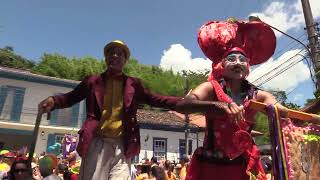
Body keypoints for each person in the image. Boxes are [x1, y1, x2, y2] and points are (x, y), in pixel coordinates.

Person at [38, 40, 182, 180]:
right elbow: (70, 98)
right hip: (97, 143)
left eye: (120, 54)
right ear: (106, 58)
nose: (115, 56)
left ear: (125, 60)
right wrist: (54, 101)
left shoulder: (134, 85)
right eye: (111, 53)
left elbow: (155, 99)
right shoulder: (92, 81)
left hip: (122, 145)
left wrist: (181, 102)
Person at [176, 19, 287, 180]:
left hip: (245, 168)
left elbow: (281, 111)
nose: (238, 63)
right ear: (221, 64)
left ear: (248, 66)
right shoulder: (211, 88)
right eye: (232, 59)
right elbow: (183, 104)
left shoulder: (257, 95)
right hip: (211, 168)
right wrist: (220, 106)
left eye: (243, 60)